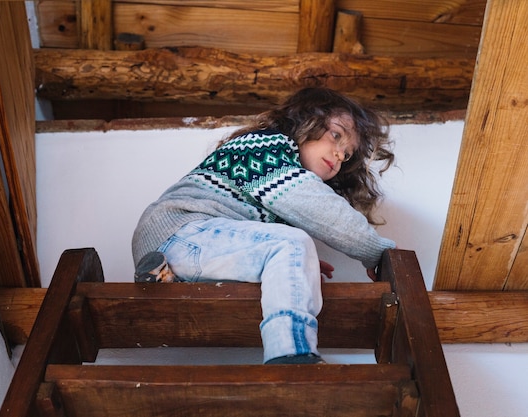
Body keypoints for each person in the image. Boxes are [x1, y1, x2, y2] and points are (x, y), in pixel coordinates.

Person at [131, 87, 396, 364]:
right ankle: (292, 355)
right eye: (337, 135)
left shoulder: (270, 189)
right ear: (305, 119)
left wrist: (297, 265)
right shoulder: (265, 147)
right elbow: (321, 210)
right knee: (290, 243)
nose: (340, 155)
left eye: (348, 154)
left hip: (184, 249)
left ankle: (165, 277)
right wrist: (376, 251)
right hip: (184, 229)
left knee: (293, 256)